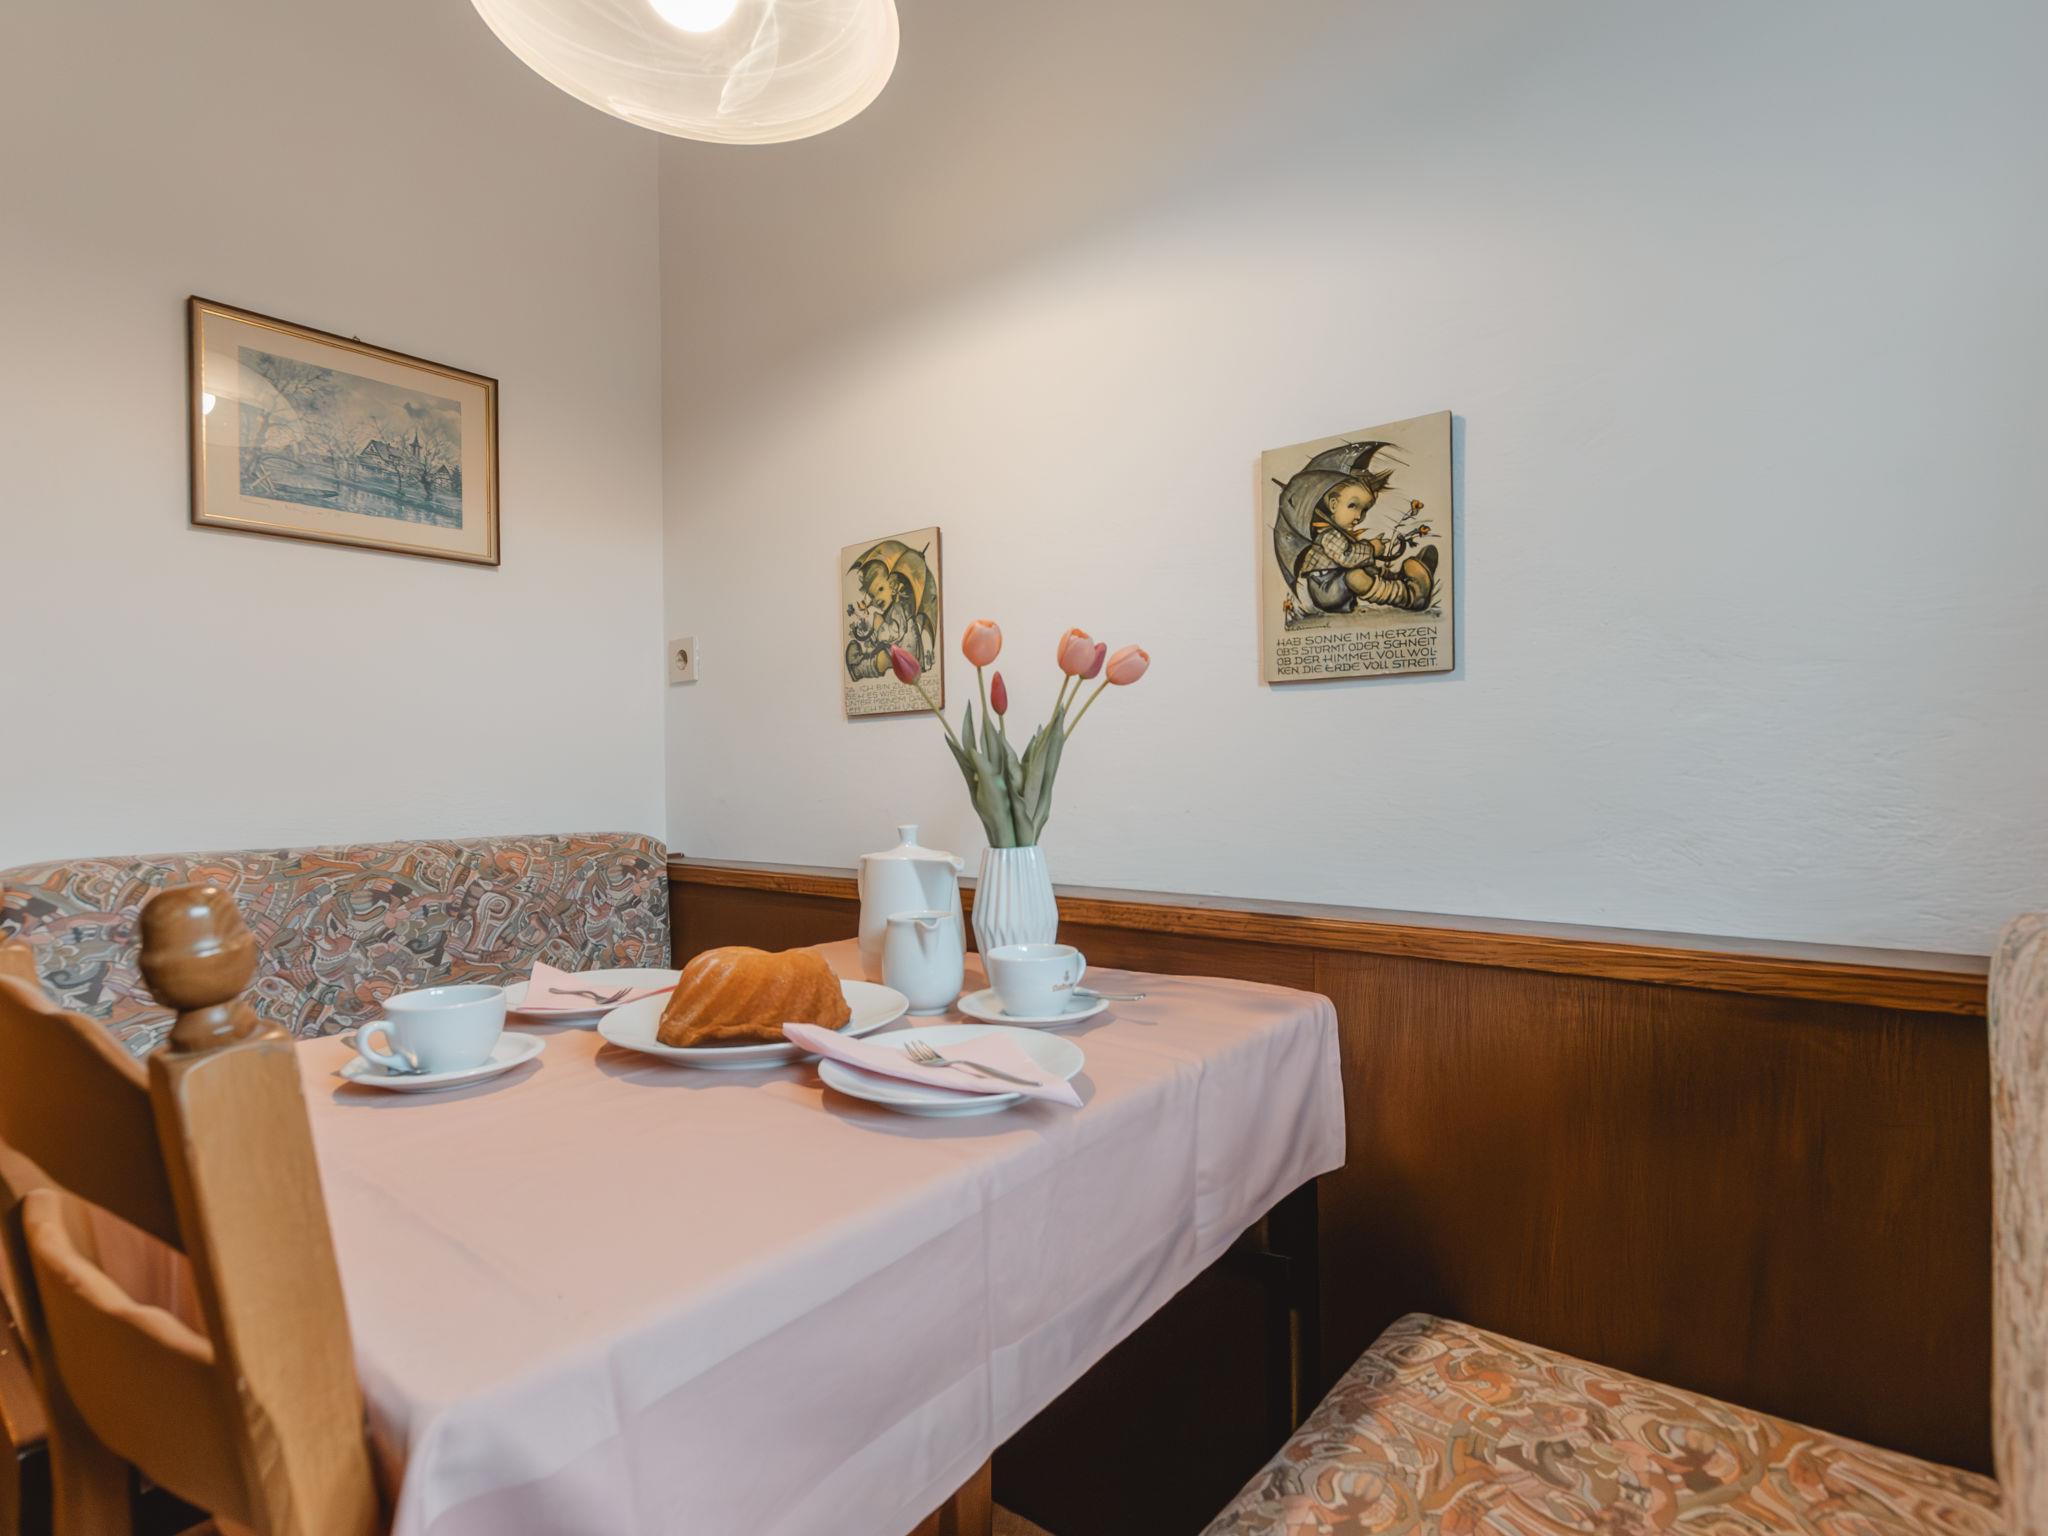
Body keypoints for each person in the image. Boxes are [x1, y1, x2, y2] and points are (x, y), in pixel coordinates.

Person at [1291, 480, 1438, 614]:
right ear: (1333, 505)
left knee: (1360, 569)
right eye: (1352, 506)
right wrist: (1371, 549)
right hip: (1327, 589)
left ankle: (1397, 578)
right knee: (1355, 576)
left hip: (1336, 583)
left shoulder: (1338, 533)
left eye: (1364, 510)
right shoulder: (1327, 534)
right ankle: (1409, 598)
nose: (1358, 516)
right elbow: (1347, 557)